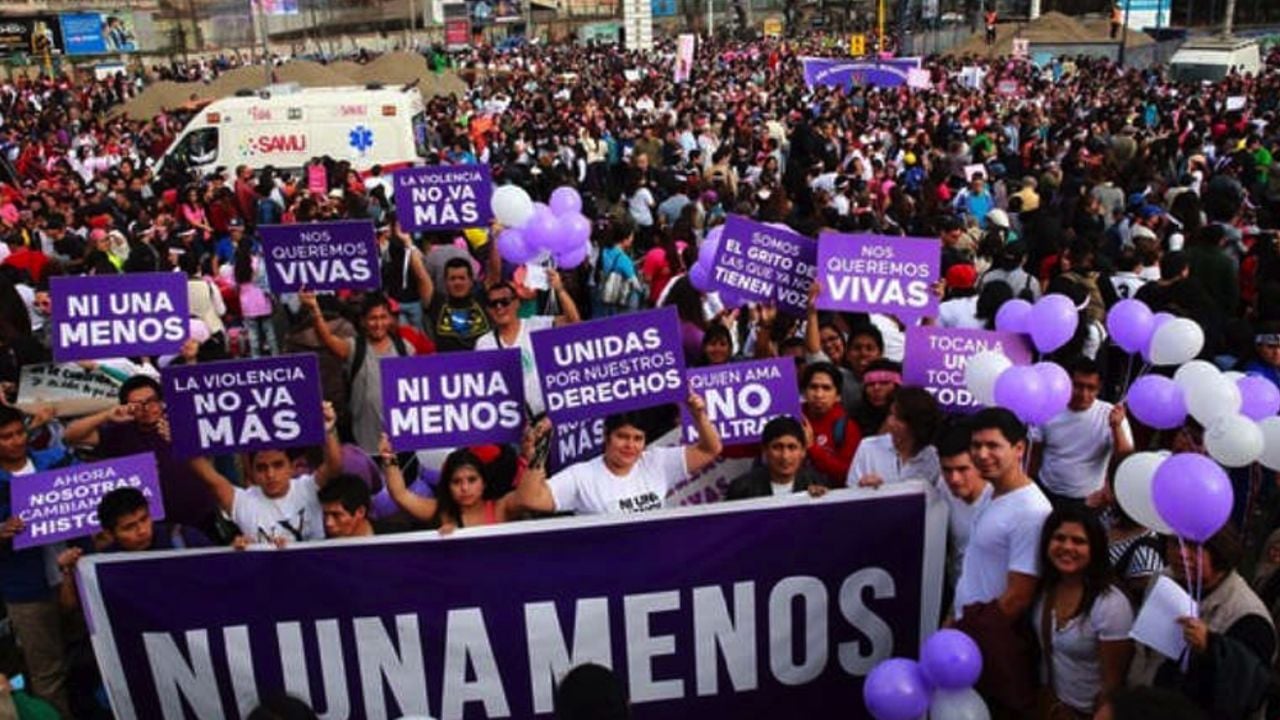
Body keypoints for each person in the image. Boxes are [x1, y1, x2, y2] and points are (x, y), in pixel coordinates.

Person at [952, 408, 1052, 718]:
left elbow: (1018, 597)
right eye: (976, 445)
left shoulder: (1030, 511)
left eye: (993, 445)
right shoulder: (991, 492)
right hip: (968, 633)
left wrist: (966, 631)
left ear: (1019, 448)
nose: (982, 454)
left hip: (991, 643)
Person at [1129, 527, 1276, 719]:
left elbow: (1245, 692)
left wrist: (1210, 648)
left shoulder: (1248, 616)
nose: (1181, 554)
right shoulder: (1162, 580)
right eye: (1176, 543)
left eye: (1194, 547)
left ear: (1220, 551)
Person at [64, 374, 222, 536]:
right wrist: (106, 415)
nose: (146, 409)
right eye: (137, 405)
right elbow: (70, 436)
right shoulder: (117, 431)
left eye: (151, 401)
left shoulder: (183, 421)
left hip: (200, 516)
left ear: (161, 401)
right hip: (149, 528)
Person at [516, 393, 722, 516]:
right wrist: (539, 451)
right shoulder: (582, 476)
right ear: (606, 436)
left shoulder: (657, 462)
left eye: (637, 438)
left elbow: (710, 449)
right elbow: (529, 499)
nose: (630, 445)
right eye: (622, 436)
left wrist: (699, 415)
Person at [0, 404, 74, 717]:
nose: (16, 441)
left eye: (20, 433)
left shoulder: (56, 460)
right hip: (26, 589)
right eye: (6, 437)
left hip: (74, 575)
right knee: (47, 673)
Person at [1032, 506, 1135, 718]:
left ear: (1095, 548)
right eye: (1059, 538)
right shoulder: (1044, 589)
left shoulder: (1110, 604)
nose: (1067, 547)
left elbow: (1113, 683)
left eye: (1079, 541)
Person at [189, 402, 344, 543]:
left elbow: (334, 466)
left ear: (292, 466)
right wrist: (181, 439)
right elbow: (209, 479)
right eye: (261, 468)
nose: (270, 474)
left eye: (278, 465)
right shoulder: (242, 502)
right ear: (251, 470)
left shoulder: (308, 488)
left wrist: (328, 430)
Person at [302, 290, 415, 454]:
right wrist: (314, 309)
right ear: (362, 321)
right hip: (365, 441)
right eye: (373, 318)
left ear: (390, 319)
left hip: (400, 442)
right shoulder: (355, 348)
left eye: (383, 317)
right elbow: (328, 339)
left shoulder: (405, 348)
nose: (378, 324)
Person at [382, 427, 539, 530]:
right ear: (447, 485)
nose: (465, 488)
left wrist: (530, 455)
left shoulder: (501, 508)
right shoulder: (442, 512)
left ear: (483, 482)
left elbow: (529, 496)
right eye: (456, 481)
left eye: (472, 480)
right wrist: (389, 458)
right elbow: (400, 495)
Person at [1031, 357, 1133, 509]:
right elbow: (1035, 452)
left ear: (1099, 389)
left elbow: (1125, 456)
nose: (1084, 394)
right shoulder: (1048, 409)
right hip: (1046, 492)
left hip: (1089, 500)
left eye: (1091, 388)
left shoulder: (1111, 414)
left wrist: (1116, 427)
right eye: (1078, 386)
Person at [475, 275, 580, 418]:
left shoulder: (535, 327)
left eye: (504, 302)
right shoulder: (484, 343)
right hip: (509, 421)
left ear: (517, 303)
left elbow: (573, 323)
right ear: (488, 309)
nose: (499, 307)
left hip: (544, 418)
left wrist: (559, 289)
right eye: (493, 304)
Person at [851, 386, 942, 488]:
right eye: (890, 414)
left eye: (899, 419)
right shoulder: (868, 447)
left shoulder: (933, 458)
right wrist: (863, 488)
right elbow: (850, 491)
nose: (890, 422)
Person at [936, 424, 993, 585]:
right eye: (947, 470)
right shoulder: (942, 486)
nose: (954, 479)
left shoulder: (1001, 498)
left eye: (962, 469)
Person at [726, 416, 828, 499]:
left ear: (803, 451)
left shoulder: (818, 483)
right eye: (777, 447)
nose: (785, 456)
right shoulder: (741, 489)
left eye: (792, 447)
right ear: (765, 450)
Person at [801, 362, 861, 488]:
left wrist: (812, 448)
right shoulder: (791, 419)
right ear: (804, 392)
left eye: (826, 388)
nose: (819, 395)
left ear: (838, 396)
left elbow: (849, 474)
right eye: (813, 387)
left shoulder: (847, 428)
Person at [425, 256, 491, 351]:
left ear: (471, 281)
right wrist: (409, 247)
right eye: (452, 279)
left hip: (481, 362)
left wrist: (494, 241)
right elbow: (421, 277)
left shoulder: (481, 298)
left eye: (462, 278)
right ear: (445, 282)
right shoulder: (437, 302)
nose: (457, 283)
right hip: (449, 363)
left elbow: (494, 274)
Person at [318, 474, 377, 539]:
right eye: (325, 515)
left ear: (360, 512)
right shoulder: (321, 547)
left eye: (336, 515)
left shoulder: (388, 535)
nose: (328, 523)